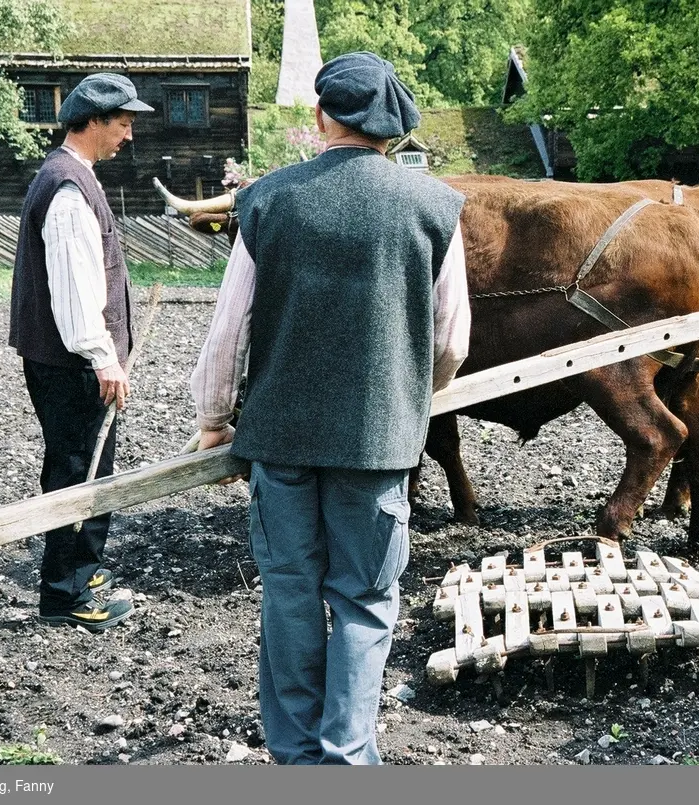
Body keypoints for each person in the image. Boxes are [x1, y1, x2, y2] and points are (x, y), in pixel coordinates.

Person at [191, 51, 469, 764]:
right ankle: (347, 759)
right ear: (396, 131)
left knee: (288, 595)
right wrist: (407, 397)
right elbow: (451, 340)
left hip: (279, 442)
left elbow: (229, 332)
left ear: (321, 118)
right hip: (377, 445)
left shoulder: (267, 200)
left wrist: (215, 418)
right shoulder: (436, 207)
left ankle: (295, 757)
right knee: (365, 602)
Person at [8, 73, 154, 630]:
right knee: (78, 473)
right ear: (92, 121)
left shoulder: (71, 176)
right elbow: (75, 292)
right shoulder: (68, 188)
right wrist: (102, 356)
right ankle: (66, 596)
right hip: (72, 364)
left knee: (86, 467)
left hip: (68, 361)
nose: (128, 135)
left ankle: (81, 574)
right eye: (122, 122)